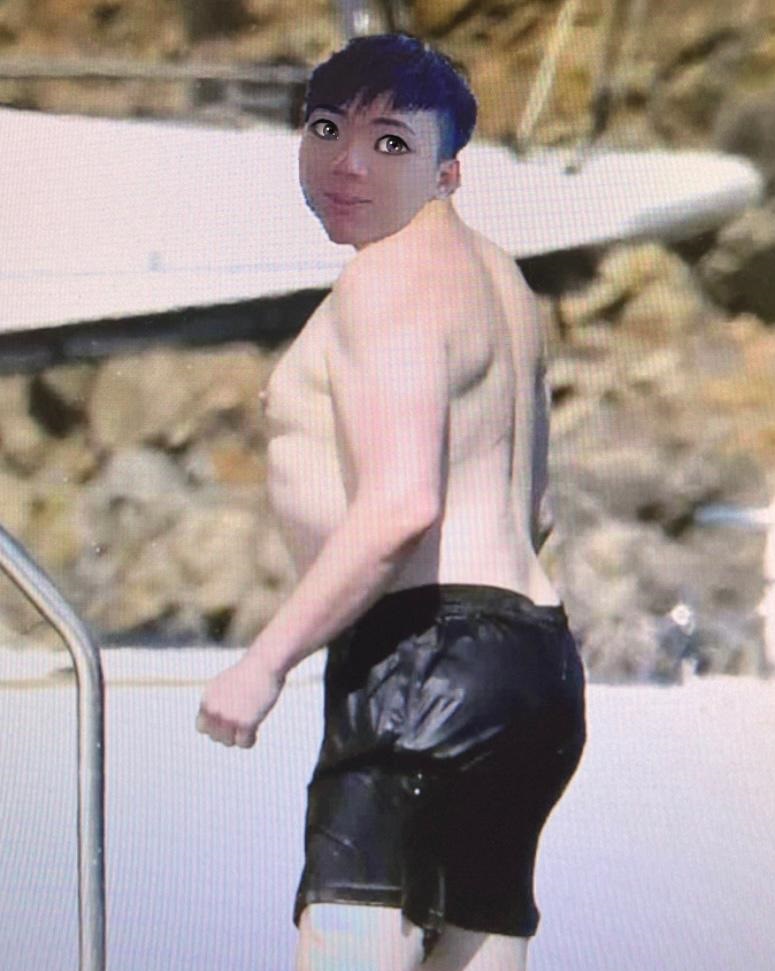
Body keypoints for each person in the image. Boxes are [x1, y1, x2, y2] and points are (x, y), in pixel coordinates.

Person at [196, 33, 586, 971]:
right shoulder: (501, 280)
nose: (347, 165)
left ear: (448, 170)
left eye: (390, 144)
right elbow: (532, 508)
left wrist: (264, 661)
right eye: (327, 130)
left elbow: (403, 502)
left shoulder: (388, 279)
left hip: (424, 658)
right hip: (531, 662)